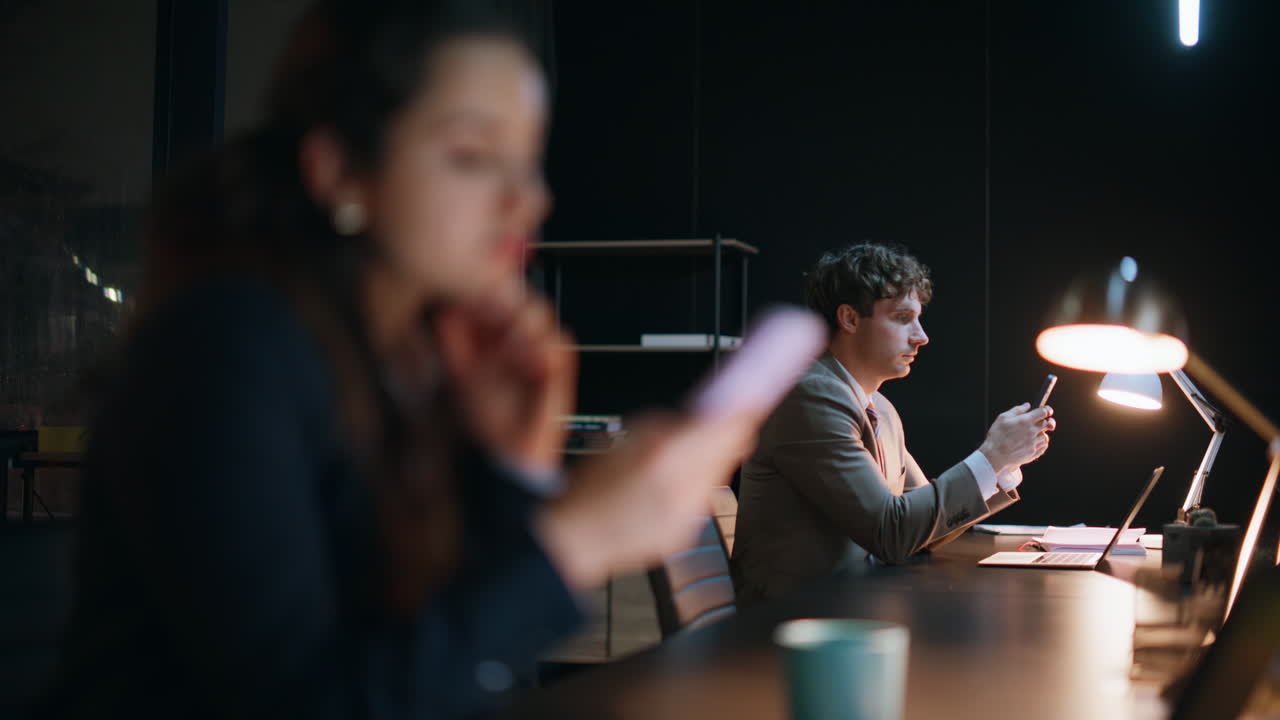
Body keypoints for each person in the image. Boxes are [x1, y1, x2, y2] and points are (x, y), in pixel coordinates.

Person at [39, 2, 762, 718]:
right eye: (473, 156)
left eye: (530, 162)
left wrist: (513, 469)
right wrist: (577, 539)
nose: (530, 199)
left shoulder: (402, 358)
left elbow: (448, 663)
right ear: (340, 170)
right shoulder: (227, 348)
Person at [731, 242, 1055, 607]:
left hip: (850, 605)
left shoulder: (880, 408)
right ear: (850, 319)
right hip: (787, 620)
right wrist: (991, 457)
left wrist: (1003, 465)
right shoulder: (808, 395)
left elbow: (922, 531)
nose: (921, 336)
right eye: (902, 318)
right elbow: (892, 532)